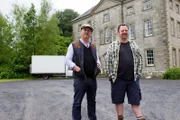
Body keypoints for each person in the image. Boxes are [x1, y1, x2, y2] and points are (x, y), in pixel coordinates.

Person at [104, 23, 146, 120]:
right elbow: (107, 62)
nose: (124, 32)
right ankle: (120, 117)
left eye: (126, 30)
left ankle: (140, 118)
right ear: (118, 33)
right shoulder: (112, 46)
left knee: (135, 101)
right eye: (122, 30)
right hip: (118, 79)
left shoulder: (134, 45)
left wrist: (138, 73)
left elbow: (140, 59)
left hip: (133, 79)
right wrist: (111, 75)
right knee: (118, 101)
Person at [65, 23, 101, 120]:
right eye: (85, 29)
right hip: (80, 80)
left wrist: (98, 66)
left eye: (89, 30)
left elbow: (97, 59)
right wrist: (76, 68)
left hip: (92, 80)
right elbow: (67, 60)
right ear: (81, 31)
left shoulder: (93, 47)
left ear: (91, 33)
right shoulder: (74, 45)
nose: (87, 31)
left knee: (92, 102)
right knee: (77, 103)